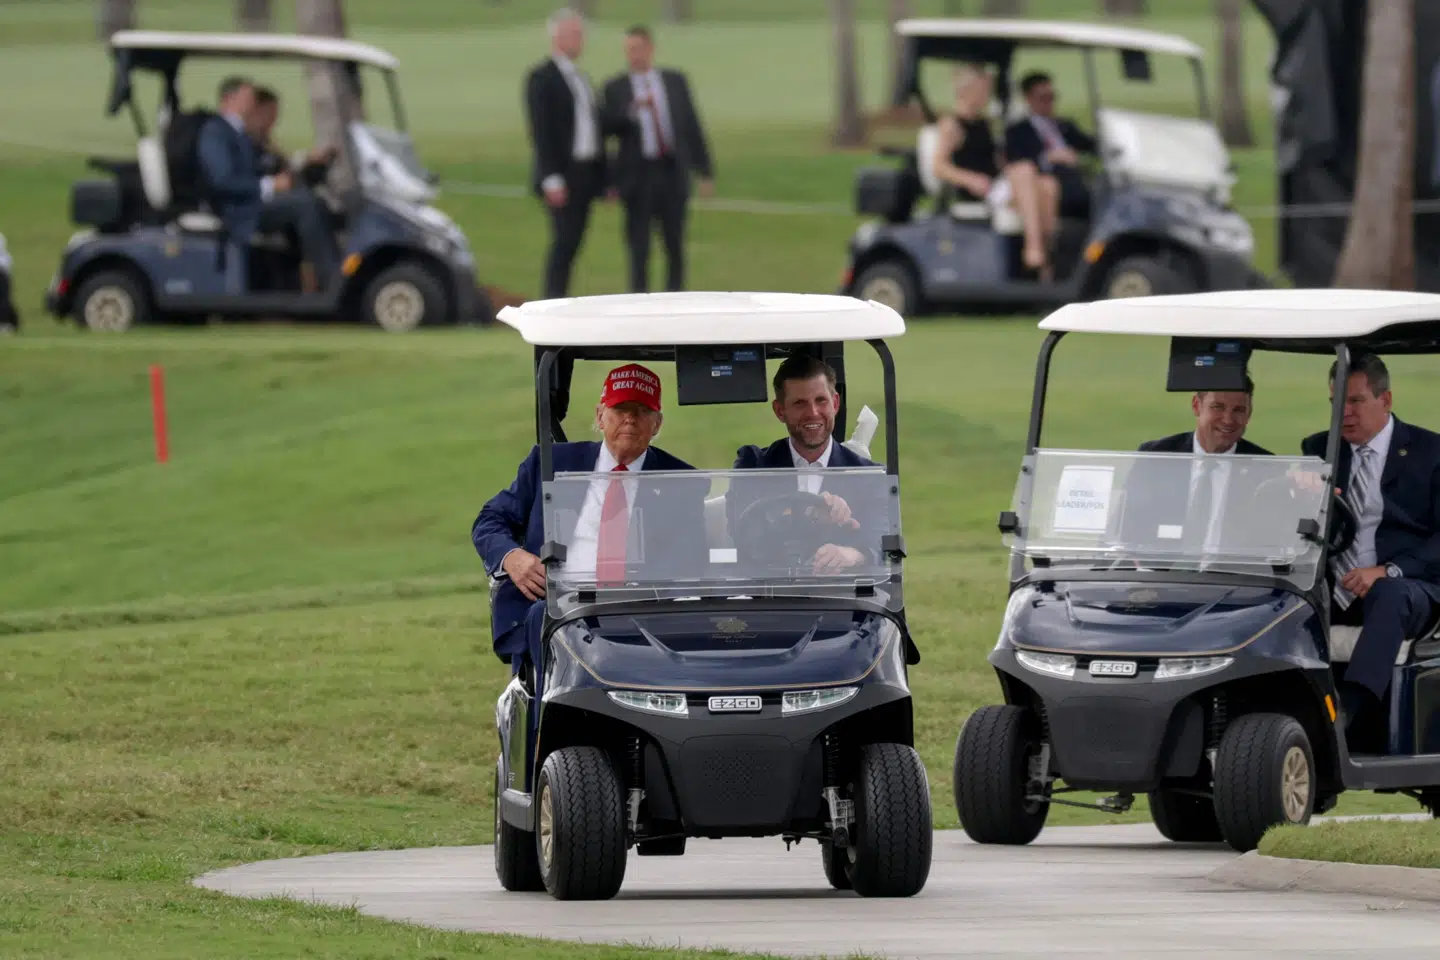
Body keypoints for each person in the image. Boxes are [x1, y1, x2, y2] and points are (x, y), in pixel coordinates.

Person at [471, 363, 707, 679]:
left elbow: (692, 562)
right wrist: (512, 557)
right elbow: (490, 520)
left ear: (657, 423)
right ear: (600, 416)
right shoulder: (550, 463)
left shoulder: (682, 481)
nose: (629, 418)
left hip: (641, 616)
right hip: (557, 612)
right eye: (620, 408)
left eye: (642, 410)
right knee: (543, 622)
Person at [1300, 354, 1440, 731]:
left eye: (1356, 402)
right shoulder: (1319, 449)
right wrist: (1300, 494)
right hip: (1337, 587)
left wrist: (1386, 571)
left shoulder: (1431, 453)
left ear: (1386, 400)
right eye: (1336, 403)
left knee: (1388, 594)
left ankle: (1347, 713)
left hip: (1412, 587)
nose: (1344, 413)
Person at [725, 355, 883, 574]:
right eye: (800, 403)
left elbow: (884, 547)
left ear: (835, 403)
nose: (813, 413)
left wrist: (852, 555)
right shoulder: (753, 465)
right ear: (780, 411)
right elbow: (743, 533)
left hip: (840, 598)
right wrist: (816, 516)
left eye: (821, 401)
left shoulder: (867, 475)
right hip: (770, 595)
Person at [195, 76, 340, 293]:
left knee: (309, 199)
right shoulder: (215, 131)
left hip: (251, 203)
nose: (253, 102)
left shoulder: (241, 133)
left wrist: (301, 163)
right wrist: (270, 185)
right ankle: (334, 285)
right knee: (306, 206)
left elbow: (265, 163)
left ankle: (300, 285)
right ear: (230, 99)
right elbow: (223, 180)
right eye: (248, 97)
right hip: (238, 210)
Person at [601, 25, 714, 293]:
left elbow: (691, 125)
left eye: (639, 48)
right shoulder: (615, 88)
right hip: (637, 177)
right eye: (629, 50)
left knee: (674, 243)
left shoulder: (675, 81)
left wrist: (705, 170)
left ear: (651, 48)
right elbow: (605, 129)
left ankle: (675, 301)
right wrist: (632, 111)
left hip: (672, 172)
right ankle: (638, 303)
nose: (634, 55)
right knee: (638, 247)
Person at [1120, 379, 1271, 551]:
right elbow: (1123, 528)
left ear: (1249, 415)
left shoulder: (1266, 468)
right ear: (1196, 406)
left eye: (1239, 410)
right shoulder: (1156, 456)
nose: (1228, 420)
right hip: (1160, 573)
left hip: (1229, 576)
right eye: (1218, 407)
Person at [929, 65, 1048, 278]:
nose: (987, 96)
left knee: (1048, 187)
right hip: (978, 189)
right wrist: (970, 179)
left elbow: (994, 159)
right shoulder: (952, 125)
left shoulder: (984, 123)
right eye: (983, 90)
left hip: (995, 185)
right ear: (967, 92)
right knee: (1024, 171)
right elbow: (939, 166)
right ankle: (1034, 249)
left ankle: (1047, 261)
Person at [524, 8, 606, 299]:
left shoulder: (581, 79)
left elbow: (594, 129)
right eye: (575, 34)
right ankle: (553, 302)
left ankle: (561, 300)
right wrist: (552, 178)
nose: (580, 40)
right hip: (561, 175)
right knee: (564, 241)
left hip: (585, 174)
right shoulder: (542, 78)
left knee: (574, 243)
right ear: (557, 36)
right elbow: (541, 131)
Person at [1003, 71, 1098, 228]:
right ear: (1028, 99)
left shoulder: (1064, 126)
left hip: (1077, 181)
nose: (1049, 103)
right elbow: (1017, 162)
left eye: (1051, 97)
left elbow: (1090, 145)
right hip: (1048, 183)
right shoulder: (1018, 131)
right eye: (1043, 98)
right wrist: (1050, 157)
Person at [247, 86, 337, 188]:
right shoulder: (246, 139)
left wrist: (307, 158)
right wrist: (273, 183)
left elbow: (283, 161)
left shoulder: (264, 138)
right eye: (271, 113)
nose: (274, 119)